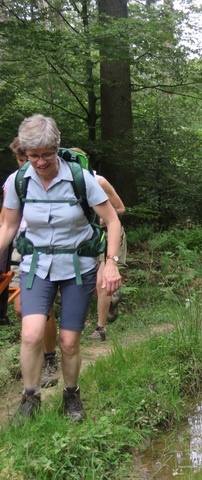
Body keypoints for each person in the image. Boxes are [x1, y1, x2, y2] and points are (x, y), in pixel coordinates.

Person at [0, 114, 122, 423]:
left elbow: (112, 219)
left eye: (46, 155)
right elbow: (8, 225)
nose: (40, 162)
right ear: (24, 154)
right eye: (32, 156)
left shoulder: (82, 178)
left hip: (77, 268)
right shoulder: (19, 181)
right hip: (36, 265)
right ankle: (30, 397)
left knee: (69, 341)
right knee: (30, 335)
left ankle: (71, 394)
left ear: (57, 147)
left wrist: (110, 265)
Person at [1, 138, 59, 389]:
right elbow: (6, 220)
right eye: (22, 160)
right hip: (20, 249)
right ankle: (34, 357)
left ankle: (49, 358)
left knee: (43, 308)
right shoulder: (13, 182)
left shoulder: (53, 177)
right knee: (20, 309)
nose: (28, 165)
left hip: (47, 248)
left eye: (30, 159)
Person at [82, 159, 126, 341]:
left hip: (108, 235)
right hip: (88, 238)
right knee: (92, 283)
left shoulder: (99, 182)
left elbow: (121, 209)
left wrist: (100, 221)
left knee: (102, 283)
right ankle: (112, 299)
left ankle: (100, 329)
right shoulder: (67, 185)